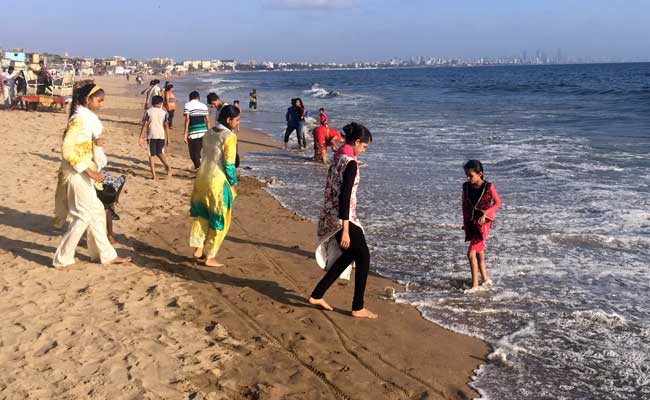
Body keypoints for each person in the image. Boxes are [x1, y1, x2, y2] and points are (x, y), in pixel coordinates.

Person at [52, 83, 131, 267]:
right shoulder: (78, 120)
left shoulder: (87, 120)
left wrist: (96, 144)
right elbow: (67, 150)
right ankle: (62, 258)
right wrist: (89, 172)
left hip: (84, 172)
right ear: (88, 100)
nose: (101, 104)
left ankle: (105, 255)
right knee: (82, 216)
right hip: (76, 174)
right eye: (99, 100)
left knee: (96, 211)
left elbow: (85, 147)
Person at [309, 122, 377, 319]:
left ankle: (317, 295)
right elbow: (345, 197)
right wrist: (345, 229)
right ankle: (358, 307)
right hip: (342, 218)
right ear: (357, 142)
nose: (364, 151)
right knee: (363, 256)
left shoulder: (338, 155)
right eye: (364, 147)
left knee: (349, 256)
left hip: (330, 214)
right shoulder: (351, 163)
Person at [189, 105, 240, 267]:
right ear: (228, 120)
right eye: (237, 120)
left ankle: (198, 247)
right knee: (219, 219)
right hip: (217, 181)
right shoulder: (229, 137)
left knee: (201, 214)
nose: (238, 123)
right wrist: (233, 183)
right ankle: (209, 256)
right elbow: (229, 165)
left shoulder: (209, 132)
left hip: (202, 176)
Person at [462, 160, 502, 293]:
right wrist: (466, 223)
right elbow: (464, 207)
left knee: (471, 253)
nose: (468, 178)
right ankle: (485, 279)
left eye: (471, 175)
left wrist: (486, 213)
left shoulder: (489, 187)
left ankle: (474, 286)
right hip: (472, 222)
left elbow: (498, 203)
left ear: (480, 174)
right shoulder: (466, 187)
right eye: (466, 175)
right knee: (479, 252)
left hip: (484, 224)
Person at [139, 95, 172, 180]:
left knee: (151, 155)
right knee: (160, 152)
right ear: (160, 103)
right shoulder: (164, 113)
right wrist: (168, 138)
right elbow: (166, 126)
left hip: (151, 135)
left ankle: (154, 175)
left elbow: (145, 124)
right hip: (161, 135)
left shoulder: (148, 111)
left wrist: (141, 137)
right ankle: (167, 165)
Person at [183, 91, 209, 169]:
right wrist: (209, 132)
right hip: (204, 132)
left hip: (193, 133)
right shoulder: (204, 106)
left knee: (193, 154)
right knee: (198, 152)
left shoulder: (187, 105)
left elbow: (187, 120)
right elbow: (207, 120)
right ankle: (200, 168)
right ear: (198, 97)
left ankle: (199, 169)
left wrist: (185, 133)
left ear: (190, 98)